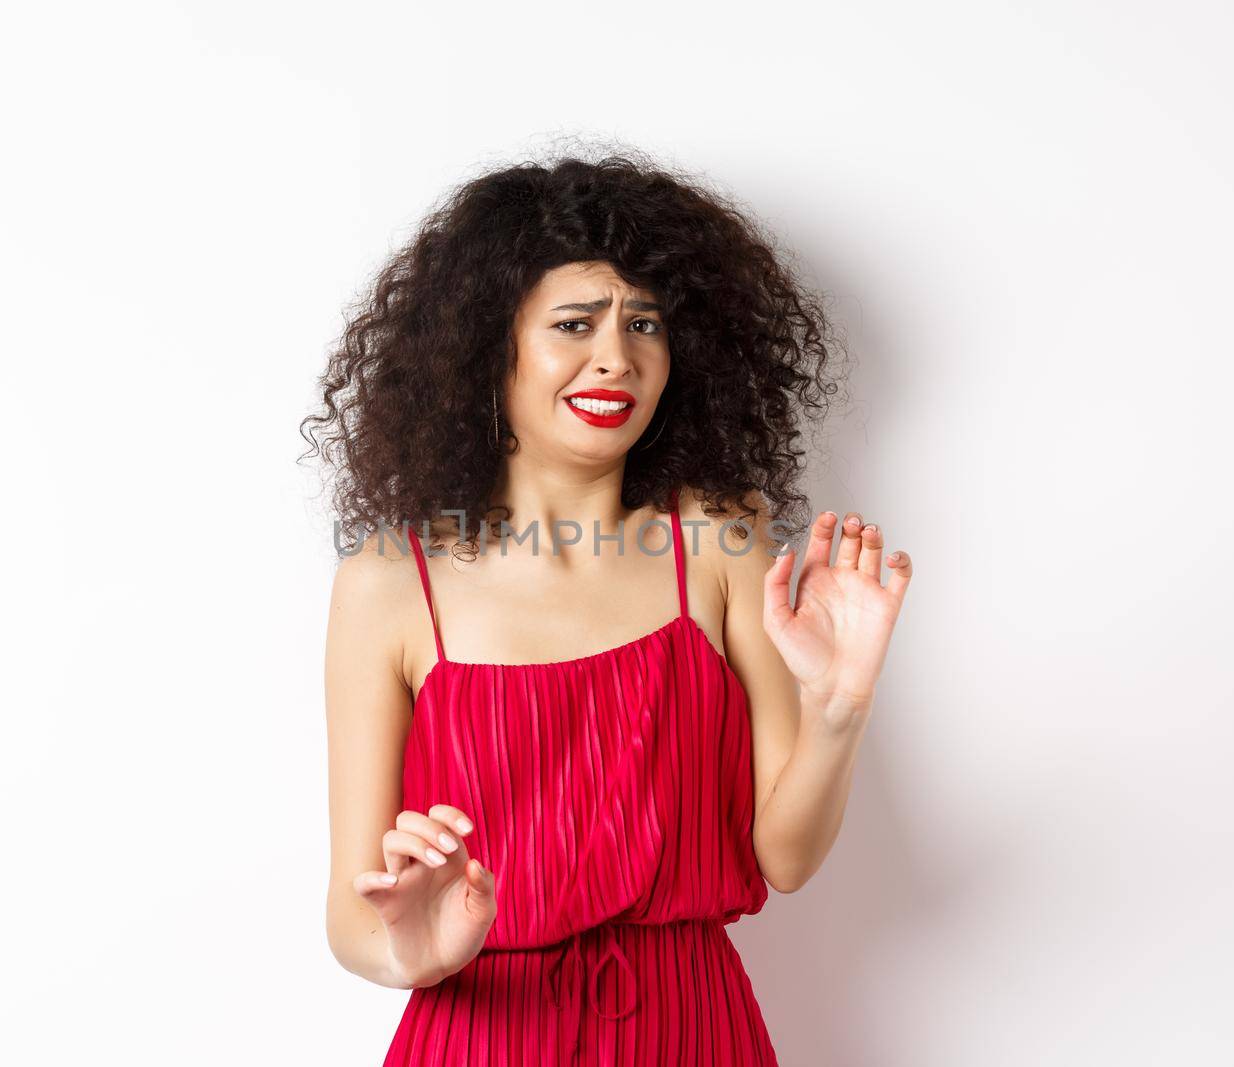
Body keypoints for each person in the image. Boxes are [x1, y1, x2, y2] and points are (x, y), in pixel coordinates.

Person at [303, 149, 914, 1065]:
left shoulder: (720, 543)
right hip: (481, 1037)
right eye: (575, 323)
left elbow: (783, 856)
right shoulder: (391, 581)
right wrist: (411, 949)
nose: (616, 358)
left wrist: (838, 708)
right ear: (487, 346)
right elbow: (351, 913)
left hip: (691, 1033)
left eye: (645, 324)